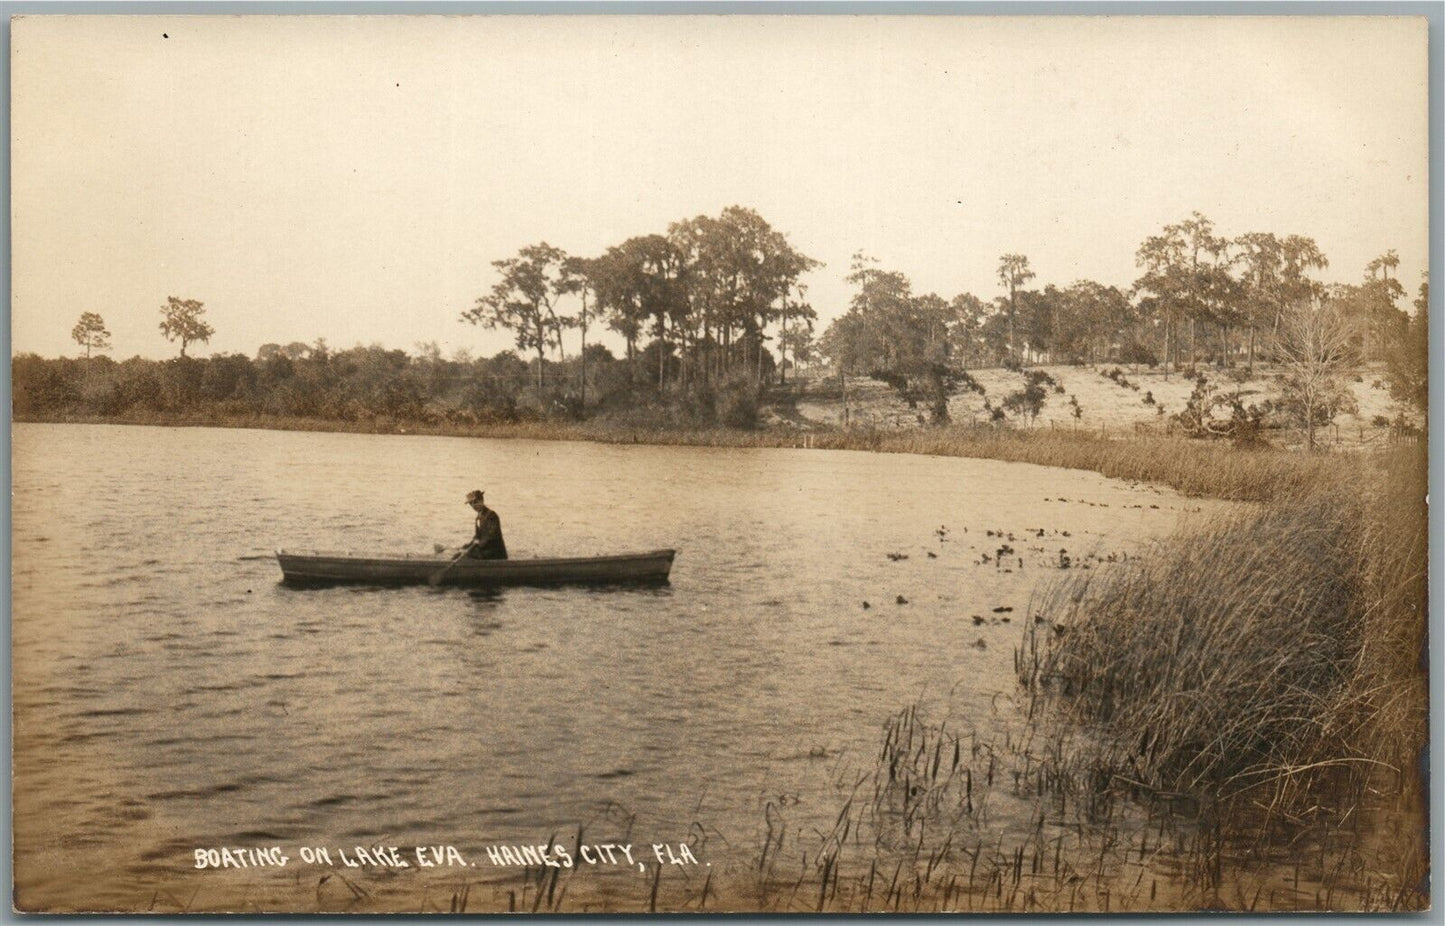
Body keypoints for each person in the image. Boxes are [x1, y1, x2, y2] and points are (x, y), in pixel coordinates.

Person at [463, 489, 508, 560]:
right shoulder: (478, 518)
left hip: (495, 553)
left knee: (468, 556)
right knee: (459, 554)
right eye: (471, 504)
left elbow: (492, 536)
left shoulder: (491, 515)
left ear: (482, 501)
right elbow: (477, 537)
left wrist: (477, 545)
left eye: (475, 502)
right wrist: (467, 547)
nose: (473, 506)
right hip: (484, 550)